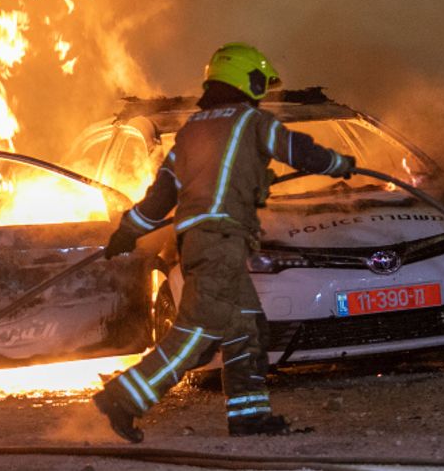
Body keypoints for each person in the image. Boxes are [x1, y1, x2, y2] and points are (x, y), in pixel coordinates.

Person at [92, 42, 355, 443]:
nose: (262, 92)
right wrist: (341, 164)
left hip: (201, 243)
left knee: (245, 328)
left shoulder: (190, 133)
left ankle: (249, 416)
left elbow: (160, 198)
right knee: (197, 333)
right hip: (221, 242)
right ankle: (123, 398)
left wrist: (127, 231)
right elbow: (299, 152)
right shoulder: (250, 122)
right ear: (244, 80)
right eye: (259, 83)